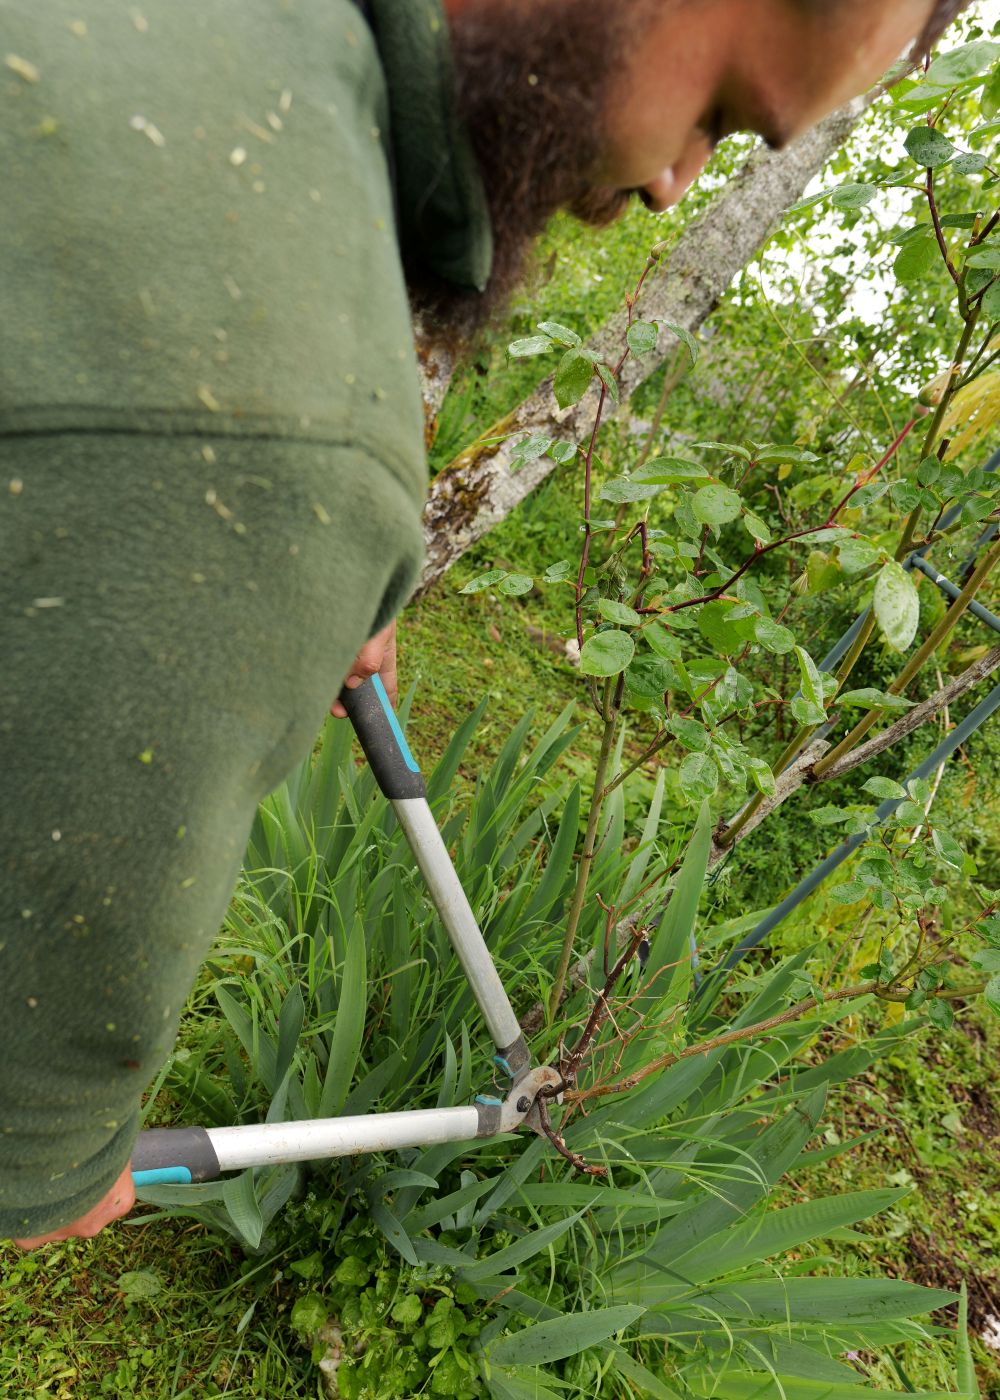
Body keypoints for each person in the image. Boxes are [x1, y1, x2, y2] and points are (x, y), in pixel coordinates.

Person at [1, 0, 967, 1248]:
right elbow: (34, 1110)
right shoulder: (270, 436)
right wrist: (53, 1165)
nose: (676, 185)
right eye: (717, 116)